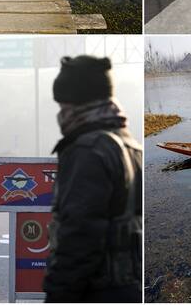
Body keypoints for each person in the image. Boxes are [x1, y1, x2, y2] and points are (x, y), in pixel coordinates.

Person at [43, 56, 142, 303]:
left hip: (98, 288)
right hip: (129, 286)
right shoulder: (130, 144)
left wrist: (58, 295)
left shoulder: (88, 149)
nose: (61, 113)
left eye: (63, 105)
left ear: (77, 103)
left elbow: (80, 234)